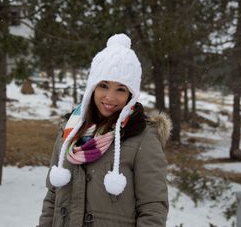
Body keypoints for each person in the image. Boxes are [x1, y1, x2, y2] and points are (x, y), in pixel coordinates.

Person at [37, 34, 170, 227]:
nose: (110, 97)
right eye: (104, 86)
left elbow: (153, 208)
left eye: (121, 89)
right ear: (92, 87)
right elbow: (52, 197)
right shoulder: (69, 132)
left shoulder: (142, 136)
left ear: (131, 94)